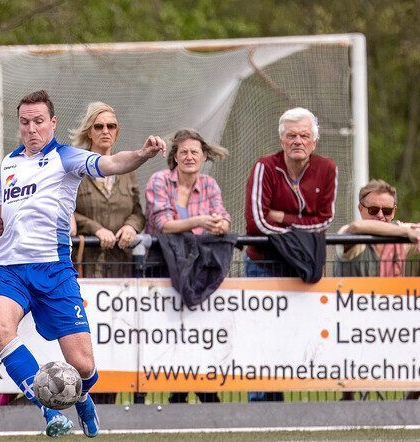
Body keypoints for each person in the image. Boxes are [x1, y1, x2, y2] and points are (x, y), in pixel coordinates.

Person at [0, 90, 165, 438]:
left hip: (53, 270)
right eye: (24, 122)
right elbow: (2, 217)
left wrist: (142, 153)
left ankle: (81, 397)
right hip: (8, 267)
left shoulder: (66, 158)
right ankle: (49, 411)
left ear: (52, 123)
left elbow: (111, 164)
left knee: (82, 365)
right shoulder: (8, 163)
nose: (31, 128)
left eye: (38, 121)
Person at [244, 107, 337, 402]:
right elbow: (256, 221)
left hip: (299, 269)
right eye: (292, 135)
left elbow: (325, 219)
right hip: (262, 264)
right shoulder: (265, 167)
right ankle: (259, 402)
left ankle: (279, 398)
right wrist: (300, 231)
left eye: (304, 136)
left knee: (290, 333)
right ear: (282, 140)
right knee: (262, 333)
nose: (298, 141)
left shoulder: (328, 169)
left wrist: (282, 219)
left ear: (314, 142)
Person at [145, 128, 230, 404]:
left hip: (197, 267)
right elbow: (163, 224)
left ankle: (202, 391)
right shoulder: (159, 181)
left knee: (197, 329)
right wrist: (200, 222)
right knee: (165, 331)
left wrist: (220, 224)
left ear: (204, 156)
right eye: (184, 152)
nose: (189, 157)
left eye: (195, 151)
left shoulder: (210, 185)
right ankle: (167, 392)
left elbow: (222, 216)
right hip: (162, 267)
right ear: (175, 157)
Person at [334, 179, 420, 401]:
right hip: (351, 323)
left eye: (387, 210)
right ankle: (347, 400)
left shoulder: (401, 234)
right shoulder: (351, 234)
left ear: (395, 211)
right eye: (373, 210)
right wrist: (407, 231)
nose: (380, 215)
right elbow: (356, 228)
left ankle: (410, 403)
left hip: (394, 322)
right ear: (360, 209)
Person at [69, 102, 145, 279]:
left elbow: (137, 211)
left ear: (117, 131)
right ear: (89, 131)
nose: (105, 131)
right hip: (82, 266)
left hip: (121, 266)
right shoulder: (75, 168)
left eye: (111, 126)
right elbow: (65, 213)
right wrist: (94, 229)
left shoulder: (128, 170)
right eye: (98, 126)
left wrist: (130, 227)